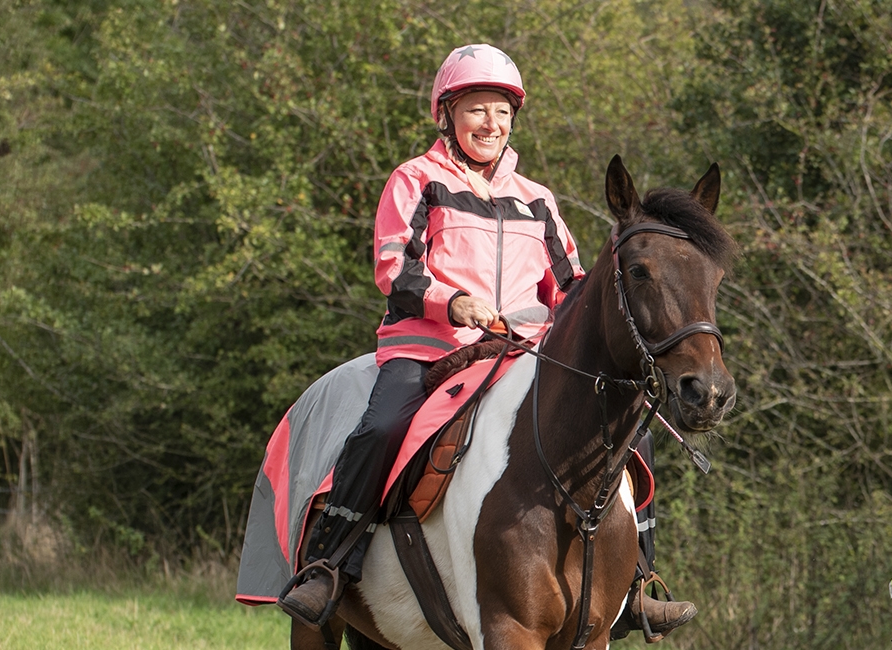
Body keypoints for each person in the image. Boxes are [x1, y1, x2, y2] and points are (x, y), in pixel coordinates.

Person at [277, 44, 698, 637]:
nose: (491, 125)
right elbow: (394, 266)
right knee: (382, 426)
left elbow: (573, 288)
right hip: (431, 350)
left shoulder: (538, 200)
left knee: (632, 436)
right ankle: (329, 565)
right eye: (477, 109)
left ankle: (639, 585)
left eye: (502, 113)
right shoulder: (415, 181)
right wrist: (452, 302)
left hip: (522, 356)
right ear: (447, 113)